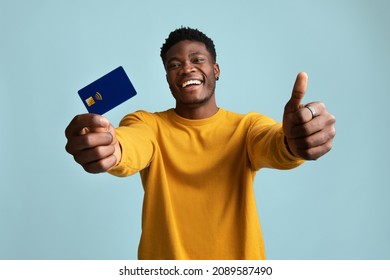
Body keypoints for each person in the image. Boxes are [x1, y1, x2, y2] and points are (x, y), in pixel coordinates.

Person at [65, 27, 336, 260]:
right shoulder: (147, 124)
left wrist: (293, 141)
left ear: (215, 70)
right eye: (174, 65)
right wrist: (111, 149)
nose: (186, 68)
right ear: (168, 79)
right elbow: (131, 144)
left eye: (197, 59)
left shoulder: (247, 128)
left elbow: (273, 144)